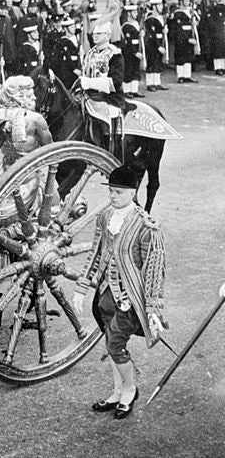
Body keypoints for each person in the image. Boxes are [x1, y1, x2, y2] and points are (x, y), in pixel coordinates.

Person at [73, 165, 166, 420]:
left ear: (132, 192)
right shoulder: (104, 217)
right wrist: (82, 287)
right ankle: (117, 391)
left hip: (130, 298)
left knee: (114, 343)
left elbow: (153, 269)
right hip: (105, 294)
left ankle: (130, 390)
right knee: (111, 341)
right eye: (111, 191)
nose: (113, 197)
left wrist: (153, 309)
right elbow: (95, 253)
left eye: (118, 192)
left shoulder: (145, 225)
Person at [169, 0, 199, 83]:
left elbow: (195, 22)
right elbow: (179, 29)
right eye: (186, 1)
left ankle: (187, 75)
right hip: (181, 38)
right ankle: (180, 75)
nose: (188, 3)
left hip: (189, 35)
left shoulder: (190, 11)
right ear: (181, 2)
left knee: (188, 56)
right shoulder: (178, 13)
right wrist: (187, 39)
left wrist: (195, 22)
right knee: (181, 56)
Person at [143, 0, 169, 92]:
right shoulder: (150, 19)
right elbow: (152, 34)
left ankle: (157, 82)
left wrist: (165, 31)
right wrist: (158, 46)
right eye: (159, 5)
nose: (161, 7)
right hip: (152, 43)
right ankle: (150, 83)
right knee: (152, 62)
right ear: (154, 7)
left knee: (158, 62)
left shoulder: (161, 17)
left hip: (160, 41)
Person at [119, 4, 144, 97]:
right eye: (134, 12)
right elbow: (128, 42)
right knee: (129, 70)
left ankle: (134, 89)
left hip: (136, 49)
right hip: (129, 51)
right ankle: (127, 90)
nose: (136, 14)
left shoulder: (136, 24)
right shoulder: (126, 26)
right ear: (129, 14)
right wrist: (134, 52)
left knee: (135, 70)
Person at [49, 16, 81, 88]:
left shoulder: (75, 40)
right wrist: (74, 69)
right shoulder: (63, 42)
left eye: (74, 26)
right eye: (72, 27)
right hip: (68, 73)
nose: (74, 28)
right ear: (66, 29)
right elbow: (66, 58)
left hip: (76, 71)